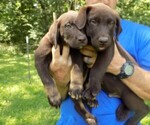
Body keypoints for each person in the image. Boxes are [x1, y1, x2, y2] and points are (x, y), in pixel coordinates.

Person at [49, 0, 150, 124]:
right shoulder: (72, 29)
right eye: (93, 21)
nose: (104, 0)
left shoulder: (144, 35)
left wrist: (119, 66)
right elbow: (58, 96)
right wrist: (60, 80)